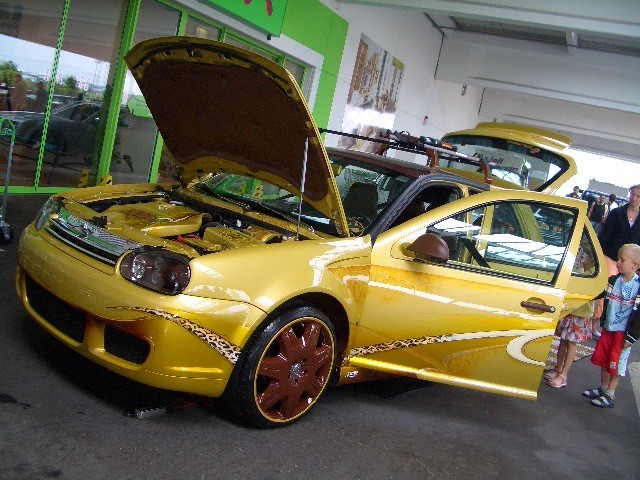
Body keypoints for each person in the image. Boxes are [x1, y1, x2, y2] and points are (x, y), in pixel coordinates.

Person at [583, 243, 640, 408]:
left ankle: (610, 394)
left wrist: (632, 337)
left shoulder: (638, 287)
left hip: (623, 334)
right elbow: (600, 293)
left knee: (617, 363)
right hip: (609, 329)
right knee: (604, 359)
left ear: (634, 265)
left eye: (622, 260)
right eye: (618, 259)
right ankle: (603, 388)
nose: (617, 262)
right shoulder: (614, 281)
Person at [545, 301, 594, 388]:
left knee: (571, 343)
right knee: (563, 340)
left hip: (580, 312)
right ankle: (558, 369)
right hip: (568, 308)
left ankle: (563, 375)